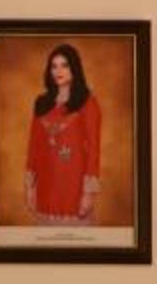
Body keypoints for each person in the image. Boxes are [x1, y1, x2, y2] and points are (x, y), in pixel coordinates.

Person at [22, 43, 102, 224]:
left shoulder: (87, 103)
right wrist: (29, 188)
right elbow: (34, 147)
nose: (58, 71)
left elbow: (94, 150)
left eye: (64, 65)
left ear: (74, 68)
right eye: (54, 66)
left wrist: (88, 193)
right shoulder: (41, 103)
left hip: (74, 188)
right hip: (45, 188)